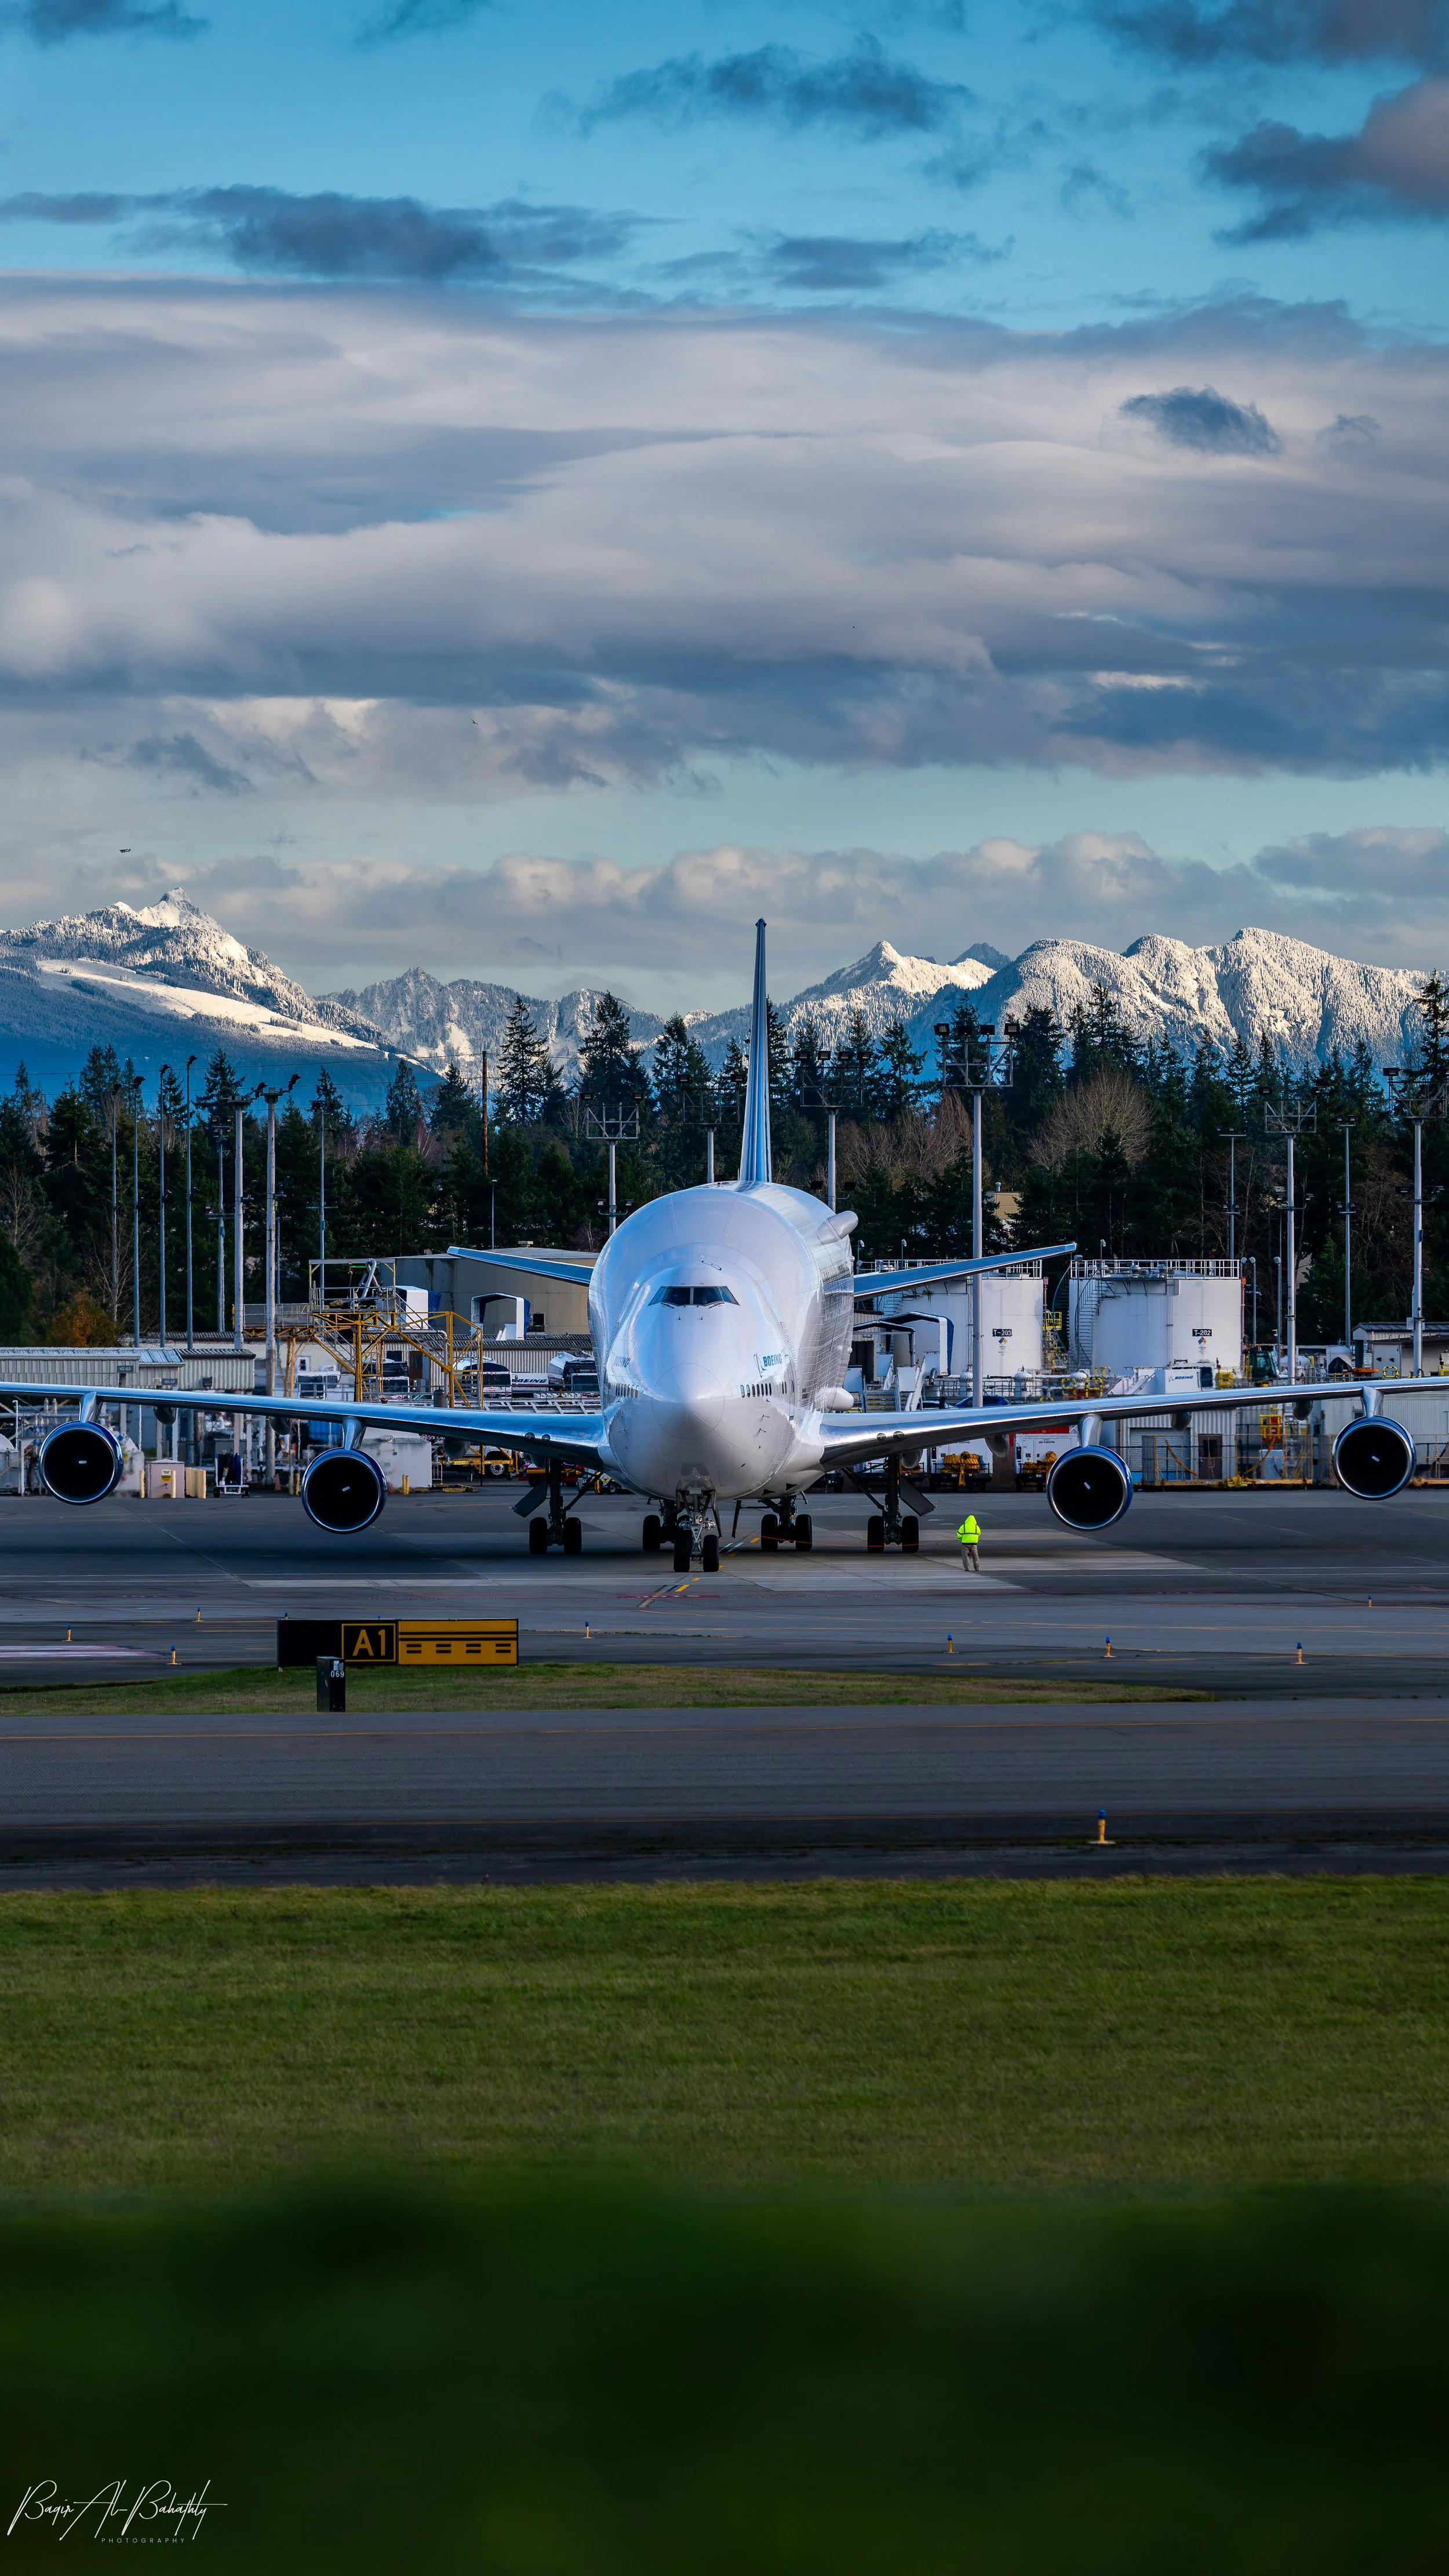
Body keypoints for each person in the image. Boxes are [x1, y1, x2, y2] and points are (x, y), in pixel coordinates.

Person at [957, 1509, 981, 1574]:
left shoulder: (964, 1526)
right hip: (974, 1544)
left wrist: (961, 1539)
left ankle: (967, 1569)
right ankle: (977, 1568)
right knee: (976, 1557)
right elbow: (979, 1533)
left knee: (965, 1556)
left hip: (965, 1544)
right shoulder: (977, 1527)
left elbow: (959, 1534)